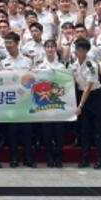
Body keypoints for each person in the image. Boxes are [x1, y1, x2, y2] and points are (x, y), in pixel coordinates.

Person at [0, 33, 35, 167]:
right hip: (11, 101)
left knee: (27, 132)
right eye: (6, 43)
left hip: (26, 101)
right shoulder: (2, 62)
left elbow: (33, 79)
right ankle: (13, 158)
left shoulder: (28, 61)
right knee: (12, 132)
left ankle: (28, 158)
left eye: (10, 42)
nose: (7, 46)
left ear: (17, 43)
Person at [71, 38, 101, 169]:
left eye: (80, 49)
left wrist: (80, 105)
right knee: (84, 130)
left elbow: (88, 86)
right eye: (76, 49)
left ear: (86, 51)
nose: (77, 52)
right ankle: (84, 158)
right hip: (81, 95)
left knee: (99, 130)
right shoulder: (74, 65)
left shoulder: (92, 65)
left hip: (94, 96)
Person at [36, 39, 67, 167]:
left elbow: (65, 85)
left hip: (58, 103)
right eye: (47, 47)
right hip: (44, 104)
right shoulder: (39, 66)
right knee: (46, 133)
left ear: (55, 49)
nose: (50, 49)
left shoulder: (61, 67)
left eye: (52, 47)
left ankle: (58, 158)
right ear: (45, 49)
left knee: (59, 133)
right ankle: (49, 157)